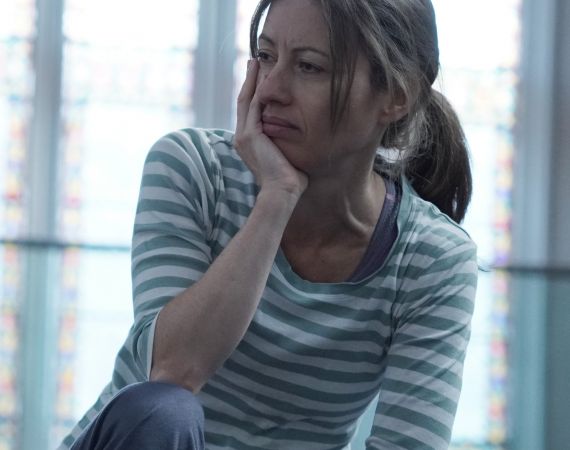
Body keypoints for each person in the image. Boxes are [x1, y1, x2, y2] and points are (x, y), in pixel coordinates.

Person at [60, 0, 478, 448]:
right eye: (265, 56)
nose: (271, 89)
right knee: (165, 411)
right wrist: (276, 199)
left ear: (396, 95)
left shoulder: (434, 259)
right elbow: (172, 371)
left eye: (309, 67)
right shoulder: (193, 169)